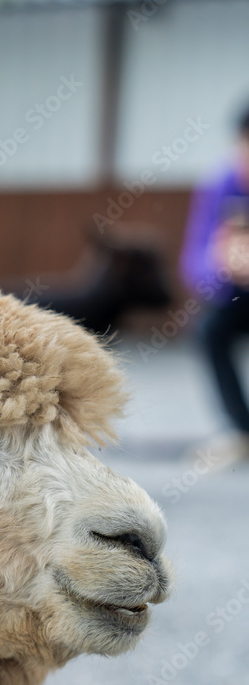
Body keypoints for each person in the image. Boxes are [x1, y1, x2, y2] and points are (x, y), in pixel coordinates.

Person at [180, 105, 249, 464]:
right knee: (210, 329)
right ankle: (242, 429)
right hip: (239, 293)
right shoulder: (221, 184)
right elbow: (193, 263)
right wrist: (221, 264)